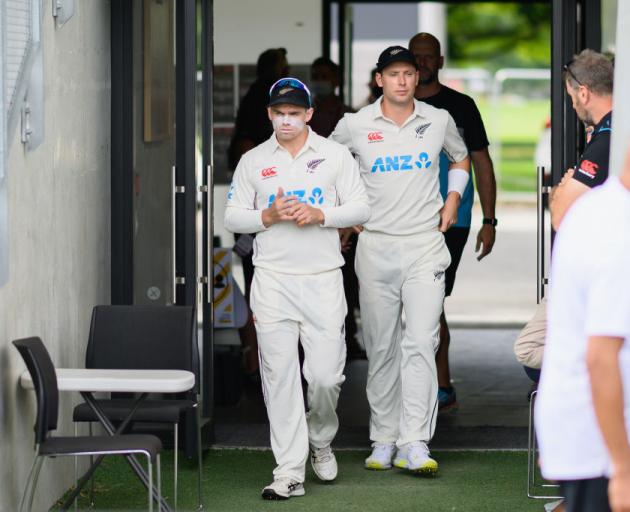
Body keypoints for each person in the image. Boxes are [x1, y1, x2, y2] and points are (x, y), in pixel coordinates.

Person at [224, 78, 370, 500]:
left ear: (308, 114)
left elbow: (361, 207)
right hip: (272, 280)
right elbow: (233, 216)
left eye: (294, 114)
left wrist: (319, 213)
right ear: (269, 115)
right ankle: (288, 470)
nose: (286, 121)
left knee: (325, 377)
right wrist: (267, 216)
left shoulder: (335, 155)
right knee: (279, 377)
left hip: (323, 279)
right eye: (279, 113)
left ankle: (320, 438)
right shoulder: (253, 160)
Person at [331, 46, 470, 475]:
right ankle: (383, 438)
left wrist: (453, 199)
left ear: (416, 77)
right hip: (375, 247)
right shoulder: (354, 125)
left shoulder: (438, 120)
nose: (402, 81)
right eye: (393, 73)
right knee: (382, 346)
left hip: (424, 244)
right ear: (380, 80)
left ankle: (416, 441)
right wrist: (345, 216)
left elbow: (461, 159)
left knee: (422, 341)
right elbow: (326, 166)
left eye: (408, 73)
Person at [535, 144, 630, 512]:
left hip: (591, 438)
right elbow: (600, 357)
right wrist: (622, 468)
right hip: (602, 446)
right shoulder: (616, 230)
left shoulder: (595, 209)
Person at [409, 32, 497, 412]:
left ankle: (441, 383)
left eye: (429, 57)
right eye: (417, 57)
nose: (423, 63)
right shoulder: (394, 103)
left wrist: (489, 220)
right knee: (408, 303)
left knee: (432, 301)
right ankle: (418, 382)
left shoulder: (460, 106)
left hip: (451, 221)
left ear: (440, 62)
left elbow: (480, 161)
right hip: (400, 220)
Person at [513, 49, 614, 377]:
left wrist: (561, 192)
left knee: (529, 351)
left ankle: (608, 364)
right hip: (598, 267)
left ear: (583, 92)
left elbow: (560, 212)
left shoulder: (608, 138)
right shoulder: (611, 131)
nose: (572, 105)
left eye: (571, 97)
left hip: (594, 271)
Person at [227, 48, 289, 380]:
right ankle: (260, 363)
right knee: (263, 287)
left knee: (258, 285)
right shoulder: (264, 97)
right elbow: (247, 147)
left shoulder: (252, 96)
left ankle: (259, 362)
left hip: (257, 216)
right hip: (260, 216)